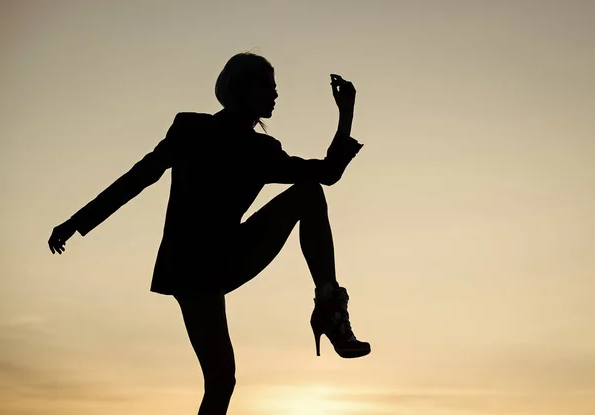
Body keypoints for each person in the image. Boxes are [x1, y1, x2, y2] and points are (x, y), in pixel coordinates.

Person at [47, 52, 370, 415]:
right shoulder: (191, 130)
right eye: (268, 84)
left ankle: (329, 307)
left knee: (310, 192)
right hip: (190, 268)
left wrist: (346, 113)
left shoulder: (263, 150)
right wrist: (76, 221)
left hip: (231, 255)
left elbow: (325, 173)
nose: (276, 93)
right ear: (241, 87)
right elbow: (138, 178)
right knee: (222, 378)